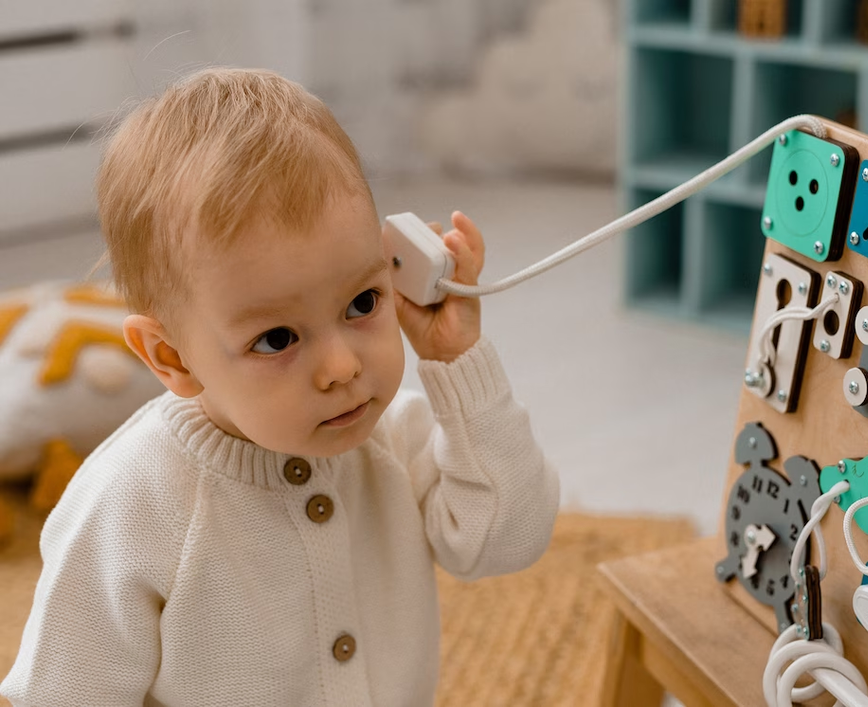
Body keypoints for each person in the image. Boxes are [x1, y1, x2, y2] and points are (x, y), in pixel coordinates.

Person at [1, 67, 560, 706]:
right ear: (172, 358)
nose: (343, 367)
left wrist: (459, 361)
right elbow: (62, 693)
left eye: (362, 301)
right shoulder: (132, 503)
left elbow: (508, 538)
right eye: (277, 340)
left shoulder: (396, 440)